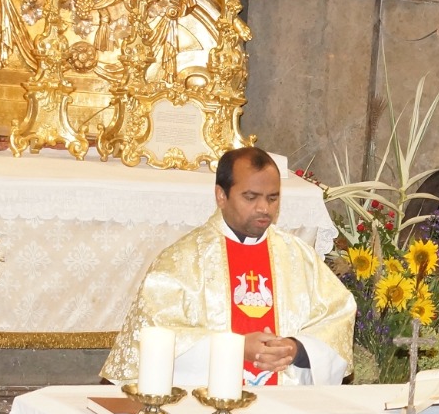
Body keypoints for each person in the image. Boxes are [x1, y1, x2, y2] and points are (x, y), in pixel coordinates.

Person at [104, 147, 355, 387]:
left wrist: (296, 349)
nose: (264, 208)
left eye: (273, 198)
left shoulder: (299, 257)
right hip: (203, 406)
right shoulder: (181, 261)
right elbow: (155, 336)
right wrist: (235, 348)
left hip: (284, 403)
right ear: (221, 196)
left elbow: (337, 318)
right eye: (250, 197)